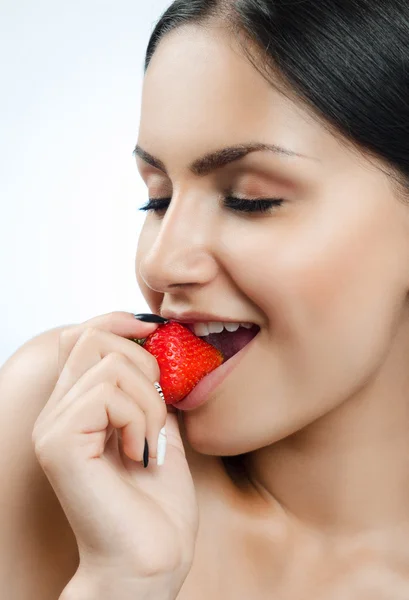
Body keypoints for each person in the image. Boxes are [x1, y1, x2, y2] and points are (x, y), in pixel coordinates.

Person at [1, 0, 409, 597]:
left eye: (250, 199)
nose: (160, 264)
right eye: (157, 199)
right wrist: (120, 581)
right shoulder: (61, 427)